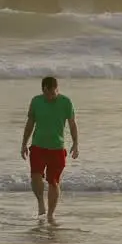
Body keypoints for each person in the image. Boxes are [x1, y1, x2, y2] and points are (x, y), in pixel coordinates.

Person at [21, 75, 79, 224]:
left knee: (54, 182)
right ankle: (40, 202)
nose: (50, 97)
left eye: (53, 93)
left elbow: (72, 124)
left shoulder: (66, 102)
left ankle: (50, 214)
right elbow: (30, 124)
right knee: (35, 176)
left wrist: (76, 143)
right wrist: (23, 144)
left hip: (57, 148)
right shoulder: (36, 101)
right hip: (38, 146)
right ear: (43, 90)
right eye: (47, 94)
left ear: (57, 89)